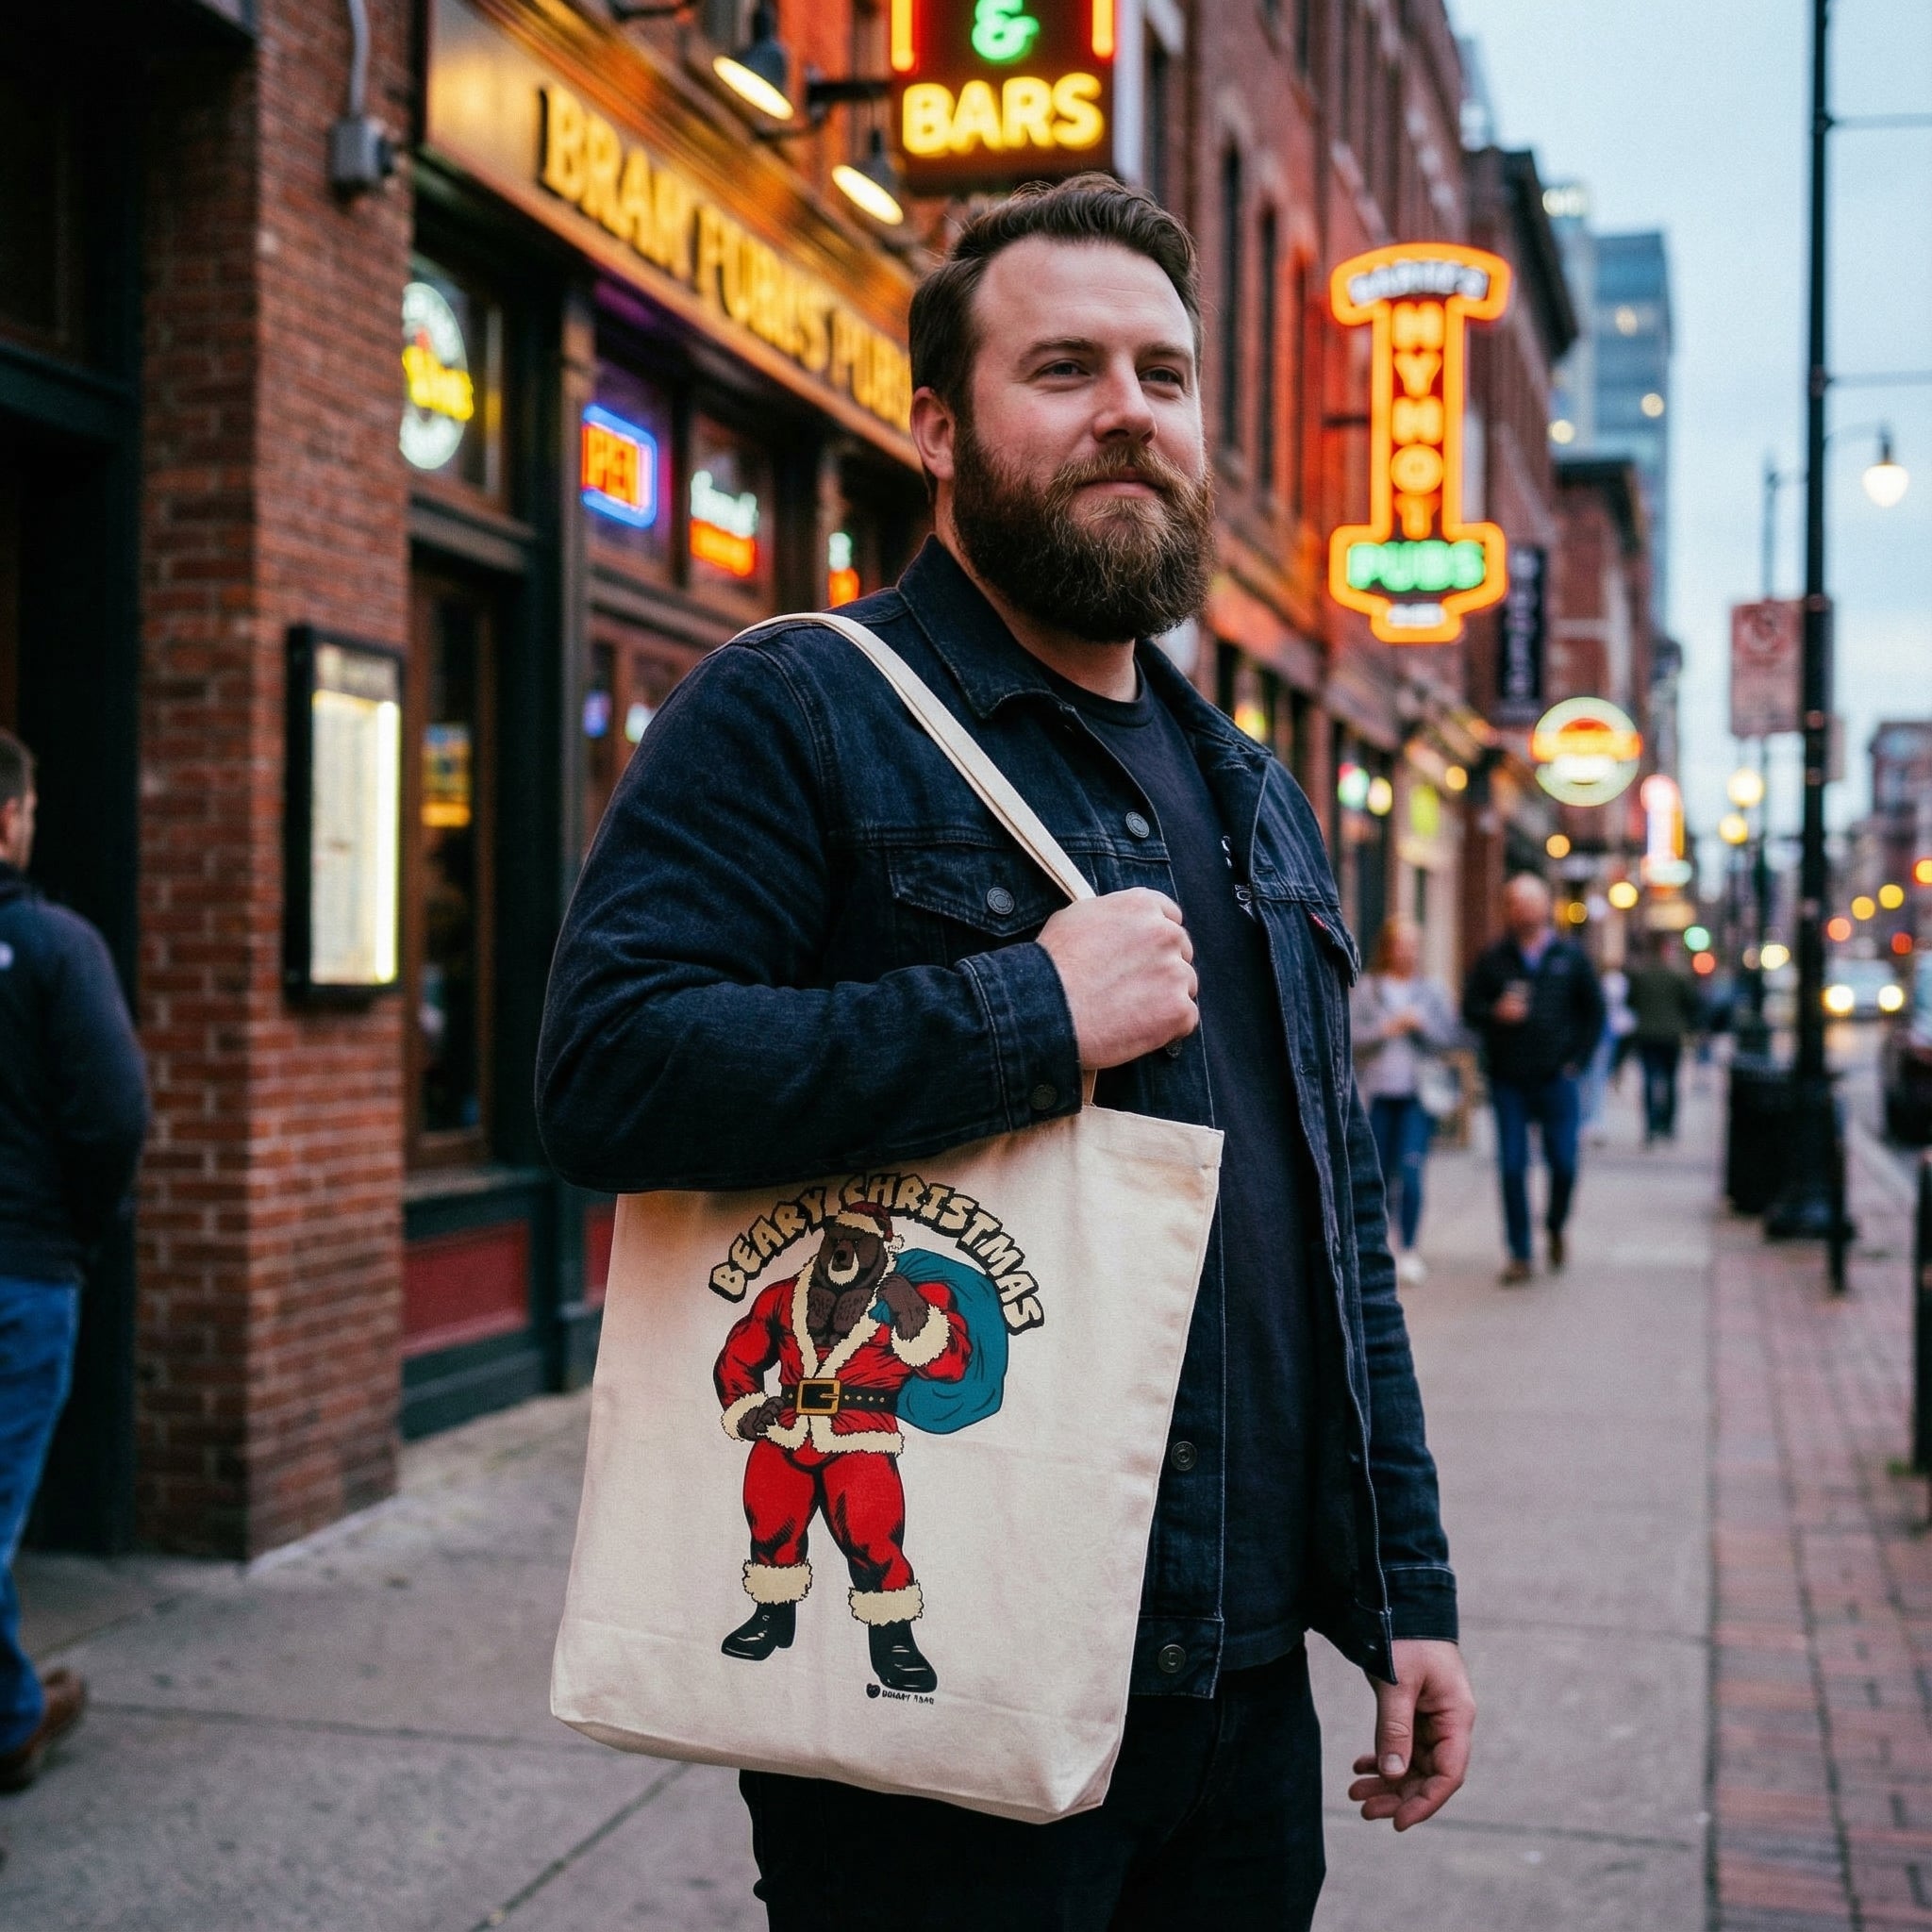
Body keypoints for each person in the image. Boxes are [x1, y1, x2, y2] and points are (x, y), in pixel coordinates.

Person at [539, 176, 1471, 1927]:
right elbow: (611, 1068)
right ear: (938, 431)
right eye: (1063, 367)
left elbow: (1332, 1235)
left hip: (1243, 1680)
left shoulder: (1251, 796)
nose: (1129, 408)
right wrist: (1027, 1014)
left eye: (1164, 374)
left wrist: (1401, 1586)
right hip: (937, 1687)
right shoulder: (795, 704)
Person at [0, 728, 148, 1792]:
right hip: (21, 1267)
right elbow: (112, 1116)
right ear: (9, 818)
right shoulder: (56, 947)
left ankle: (11, 1704)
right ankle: (9, 1713)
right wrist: (76, 1233)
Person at [1462, 875, 1605, 1285]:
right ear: (1507, 909)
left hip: (1557, 1079)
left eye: (1531, 902)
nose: (1523, 910)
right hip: (1509, 1080)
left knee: (1564, 1163)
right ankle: (1520, 1253)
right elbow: (1469, 1008)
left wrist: (1578, 1062)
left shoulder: (1570, 957)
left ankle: (1556, 1225)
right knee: (1511, 1167)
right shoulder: (1493, 959)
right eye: (1515, 903)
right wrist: (1495, 1013)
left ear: (1546, 907)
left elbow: (1594, 1014)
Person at [1351, 921, 1461, 1285]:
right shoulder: (1368, 988)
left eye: (1414, 945)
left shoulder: (1431, 991)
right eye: (1400, 944)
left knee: (1411, 1172)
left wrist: (1421, 1026)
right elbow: (1348, 1037)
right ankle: (1379, 1249)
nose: (1407, 952)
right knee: (1378, 1176)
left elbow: (1449, 1038)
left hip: (1418, 1096)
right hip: (1378, 1095)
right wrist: (1386, 1029)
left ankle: (1409, 1248)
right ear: (1387, 948)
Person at [1625, 935, 1702, 1143]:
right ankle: (1667, 1125)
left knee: (1649, 1079)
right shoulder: (1677, 975)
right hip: (1671, 1034)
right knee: (1670, 1080)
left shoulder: (1641, 975)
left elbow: (1631, 1001)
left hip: (1647, 1033)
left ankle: (1650, 1125)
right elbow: (1691, 1002)